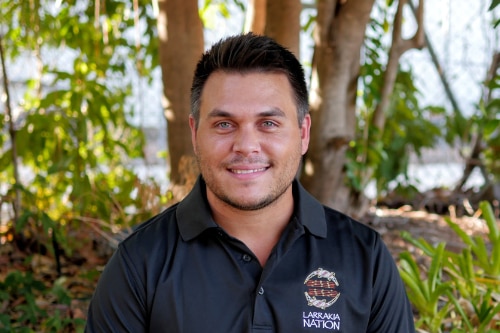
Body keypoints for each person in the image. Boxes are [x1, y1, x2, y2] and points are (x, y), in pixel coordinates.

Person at [85, 33, 415, 332]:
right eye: (225, 124)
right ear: (195, 133)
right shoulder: (140, 264)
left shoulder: (364, 259)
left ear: (303, 134)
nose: (246, 145)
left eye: (268, 123)